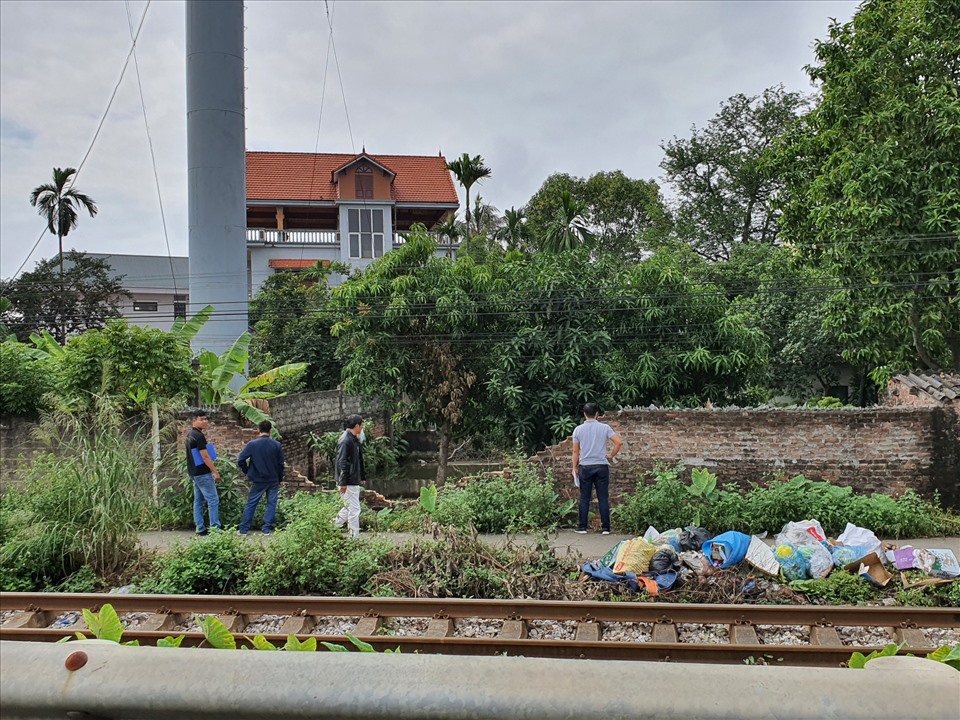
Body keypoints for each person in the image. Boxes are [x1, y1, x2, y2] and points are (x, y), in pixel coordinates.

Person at [571, 402, 623, 535]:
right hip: (601, 466)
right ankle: (606, 528)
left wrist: (574, 467)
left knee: (584, 498)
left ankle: (582, 527)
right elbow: (619, 442)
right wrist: (611, 455)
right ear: (597, 414)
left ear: (584, 414)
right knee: (603, 497)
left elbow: (575, 451)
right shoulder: (605, 428)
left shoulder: (578, 430)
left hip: (585, 467)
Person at [236, 419, 285, 536]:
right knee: (271, 504)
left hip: (258, 479)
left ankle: (243, 529)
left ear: (258, 430)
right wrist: (280, 479)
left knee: (251, 503)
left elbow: (241, 460)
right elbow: (280, 464)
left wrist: (248, 471)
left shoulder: (252, 444)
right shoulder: (276, 445)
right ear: (270, 430)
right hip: (273, 479)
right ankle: (266, 529)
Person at [185, 409, 222, 536]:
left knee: (198, 501)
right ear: (194, 421)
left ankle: (200, 528)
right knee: (213, 500)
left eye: (206, 419)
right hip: (203, 473)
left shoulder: (190, 434)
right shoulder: (199, 436)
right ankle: (215, 528)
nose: (205, 421)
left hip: (194, 473)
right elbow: (205, 457)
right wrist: (215, 472)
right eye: (202, 419)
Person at [333, 414, 366, 538]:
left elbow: (358, 460)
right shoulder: (346, 440)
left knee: (348, 508)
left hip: (352, 479)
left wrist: (362, 476)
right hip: (348, 481)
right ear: (356, 426)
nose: (362, 428)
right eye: (361, 425)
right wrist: (343, 482)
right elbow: (342, 462)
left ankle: (330, 526)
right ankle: (354, 537)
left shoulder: (353, 439)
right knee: (354, 509)